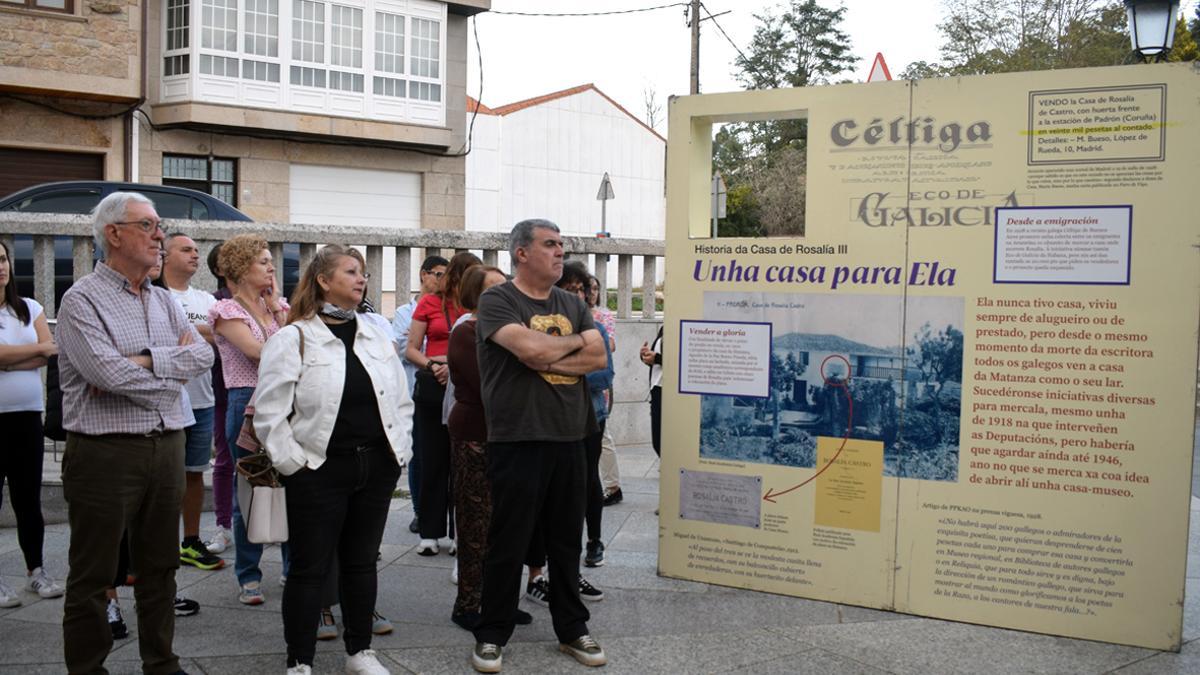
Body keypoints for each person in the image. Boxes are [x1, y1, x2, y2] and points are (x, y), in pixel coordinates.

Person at [56, 191, 214, 675]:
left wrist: (144, 361)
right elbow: (107, 375)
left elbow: (203, 357)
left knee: (160, 567)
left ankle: (162, 663)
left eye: (158, 225)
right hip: (105, 454)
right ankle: (88, 669)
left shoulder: (164, 299)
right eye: (147, 225)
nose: (159, 234)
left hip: (165, 446)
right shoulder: (81, 299)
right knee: (94, 572)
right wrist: (166, 375)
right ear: (114, 234)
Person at [254, 245, 413, 675]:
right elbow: (269, 414)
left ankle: (359, 651)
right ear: (324, 280)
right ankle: (300, 659)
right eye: (351, 272)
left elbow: (400, 399)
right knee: (310, 567)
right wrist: (296, 466)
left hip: (374, 467)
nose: (361, 279)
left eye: (362, 273)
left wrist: (400, 453)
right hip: (318, 470)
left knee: (362, 563)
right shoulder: (294, 337)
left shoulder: (375, 333)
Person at [470, 219, 608, 672]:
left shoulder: (571, 300)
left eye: (561, 245)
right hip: (519, 437)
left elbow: (599, 357)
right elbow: (529, 352)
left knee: (566, 540)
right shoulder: (497, 299)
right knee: (509, 539)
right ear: (521, 253)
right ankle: (492, 632)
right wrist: (569, 347)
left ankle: (573, 629)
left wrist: (550, 351)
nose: (559, 252)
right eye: (549, 245)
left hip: (573, 435)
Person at [447, 264, 535, 630]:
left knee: (507, 525)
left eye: (507, 287)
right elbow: (494, 385)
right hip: (475, 435)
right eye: (495, 289)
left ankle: (499, 601)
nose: (505, 294)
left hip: (510, 436)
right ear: (475, 295)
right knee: (475, 524)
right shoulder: (467, 332)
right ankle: (468, 603)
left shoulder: (511, 331)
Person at [210, 234, 291, 605]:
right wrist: (287, 337)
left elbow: (299, 338)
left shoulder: (278, 306)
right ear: (241, 269)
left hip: (285, 400)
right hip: (246, 403)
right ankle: (249, 574)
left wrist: (275, 306)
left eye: (270, 261)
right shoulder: (228, 312)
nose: (271, 267)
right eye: (262, 262)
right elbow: (259, 352)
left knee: (294, 487)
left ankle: (293, 569)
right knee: (251, 493)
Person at [0, 240, 64, 608]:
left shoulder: (30, 308)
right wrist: (34, 352)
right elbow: (41, 350)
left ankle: (35, 571)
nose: (1, 266)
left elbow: (51, 349)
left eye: (3, 258)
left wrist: (8, 361)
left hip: (26, 417)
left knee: (28, 500)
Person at [406, 251, 480, 556]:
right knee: (431, 460)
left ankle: (458, 532)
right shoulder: (428, 303)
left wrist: (452, 366)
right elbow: (411, 348)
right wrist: (432, 366)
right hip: (432, 386)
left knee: (460, 464)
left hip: (461, 387)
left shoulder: (473, 308)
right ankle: (429, 531)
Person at [161, 233, 224, 571]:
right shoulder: (157, 295)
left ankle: (191, 541)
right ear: (165, 256)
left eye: (197, 251)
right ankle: (159, 545)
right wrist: (200, 335)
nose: (195, 255)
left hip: (202, 400)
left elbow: (223, 333)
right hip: (167, 403)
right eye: (186, 249)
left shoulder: (205, 299)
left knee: (194, 474)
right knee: (164, 478)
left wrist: (190, 333)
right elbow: (168, 337)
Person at [557, 266, 615, 569]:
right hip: (553, 419)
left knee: (588, 479)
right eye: (569, 289)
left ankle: (594, 540)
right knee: (561, 486)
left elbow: (604, 376)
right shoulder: (543, 329)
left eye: (580, 289)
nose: (577, 295)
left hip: (591, 415)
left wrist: (556, 366)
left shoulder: (597, 329)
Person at [392, 255, 448, 534]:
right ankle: (419, 510)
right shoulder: (405, 311)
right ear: (423, 275)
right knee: (419, 454)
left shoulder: (450, 307)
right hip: (416, 386)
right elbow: (404, 347)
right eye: (437, 274)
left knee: (439, 455)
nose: (441, 280)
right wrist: (433, 360)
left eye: (446, 275)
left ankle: (438, 513)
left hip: (444, 387)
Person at [205, 244, 236, 554]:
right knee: (225, 460)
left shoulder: (266, 300)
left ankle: (263, 524)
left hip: (265, 394)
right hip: (224, 392)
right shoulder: (215, 303)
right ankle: (223, 526)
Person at [585, 271, 623, 506]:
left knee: (603, 435)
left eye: (595, 289)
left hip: (597, 385)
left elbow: (609, 344)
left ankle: (612, 485)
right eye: (588, 288)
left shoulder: (604, 316)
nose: (592, 293)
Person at [641, 326, 664, 457]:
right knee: (657, 440)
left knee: (663, 441)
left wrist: (657, 358)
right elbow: (657, 361)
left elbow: (683, 361)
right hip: (657, 388)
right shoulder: (665, 327)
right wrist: (646, 355)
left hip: (669, 391)